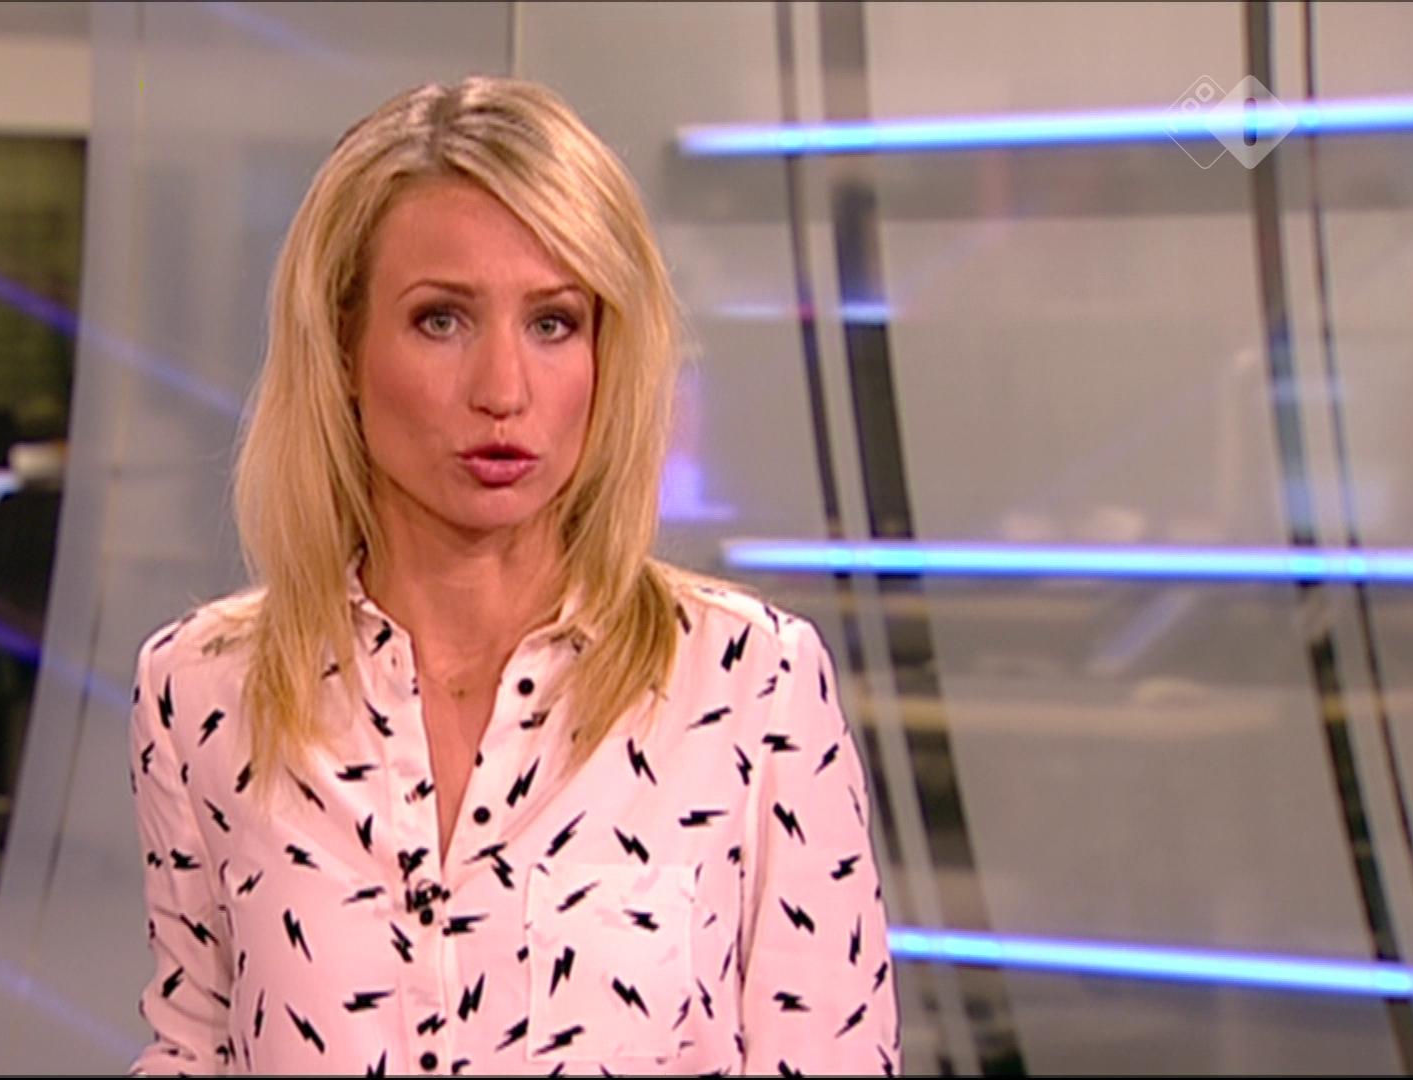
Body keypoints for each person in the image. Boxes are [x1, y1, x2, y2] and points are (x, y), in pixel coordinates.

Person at [126, 76, 899, 1076]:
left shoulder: (753, 684)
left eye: (553, 323)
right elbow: (196, 1047)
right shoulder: (203, 690)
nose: (503, 390)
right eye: (441, 320)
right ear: (345, 348)